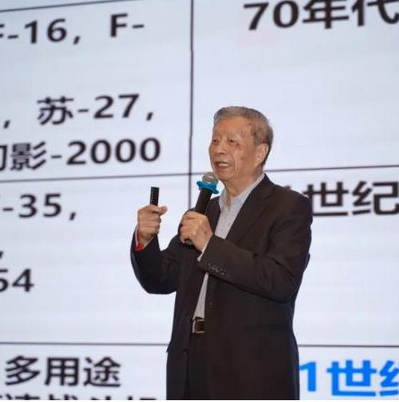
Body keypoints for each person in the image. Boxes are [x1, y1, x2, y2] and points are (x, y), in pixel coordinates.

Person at [131, 106, 313, 399]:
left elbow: (281, 280)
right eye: (215, 140)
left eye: (232, 141)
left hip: (249, 369)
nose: (219, 149)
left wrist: (210, 245)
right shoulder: (203, 211)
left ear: (260, 152)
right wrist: (145, 239)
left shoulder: (288, 206)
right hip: (190, 361)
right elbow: (160, 279)